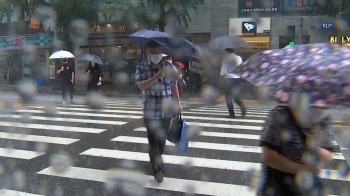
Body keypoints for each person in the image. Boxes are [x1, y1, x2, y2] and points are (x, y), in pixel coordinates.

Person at [258, 93, 334, 196]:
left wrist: (313, 139)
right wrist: (302, 169)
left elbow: (328, 155)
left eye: (324, 105)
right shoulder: (280, 114)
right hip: (277, 187)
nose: (321, 107)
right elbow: (267, 156)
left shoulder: (322, 119)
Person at [135, 40, 181, 183]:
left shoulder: (169, 66)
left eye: (159, 52)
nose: (156, 55)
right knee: (153, 141)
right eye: (153, 53)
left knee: (161, 141)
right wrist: (156, 77)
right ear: (147, 52)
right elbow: (141, 86)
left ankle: (156, 159)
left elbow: (173, 86)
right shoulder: (141, 67)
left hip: (166, 112)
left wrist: (178, 102)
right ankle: (158, 169)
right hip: (150, 112)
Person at [220, 48, 246, 118]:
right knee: (236, 97)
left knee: (228, 98)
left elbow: (223, 71)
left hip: (229, 80)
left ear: (226, 51)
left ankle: (232, 114)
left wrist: (222, 81)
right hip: (237, 79)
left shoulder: (226, 59)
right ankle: (242, 106)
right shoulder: (239, 58)